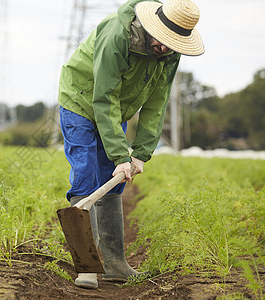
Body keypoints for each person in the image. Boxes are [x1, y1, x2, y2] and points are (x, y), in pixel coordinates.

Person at [58, 0, 204, 289]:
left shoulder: (169, 53)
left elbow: (156, 102)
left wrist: (140, 154)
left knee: (115, 180)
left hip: (117, 109)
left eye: (172, 44)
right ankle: (86, 266)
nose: (164, 48)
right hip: (82, 101)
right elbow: (104, 97)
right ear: (152, 26)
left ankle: (115, 265)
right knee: (86, 176)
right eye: (162, 40)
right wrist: (118, 153)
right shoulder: (117, 37)